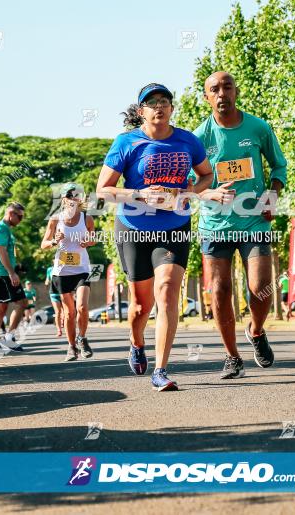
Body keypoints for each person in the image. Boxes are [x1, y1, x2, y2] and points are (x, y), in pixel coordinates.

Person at [96, 82, 219, 391]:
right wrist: (139, 194)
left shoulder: (187, 141)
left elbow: (207, 175)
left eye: (165, 101)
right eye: (152, 103)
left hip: (174, 226)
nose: (159, 106)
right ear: (141, 111)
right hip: (134, 229)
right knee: (141, 307)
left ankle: (160, 369)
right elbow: (103, 190)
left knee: (166, 292)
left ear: (172, 108)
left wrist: (186, 192)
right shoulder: (126, 142)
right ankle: (136, 342)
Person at [193, 71, 287, 379]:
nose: (221, 93)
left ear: (236, 91)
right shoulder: (199, 138)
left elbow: (279, 164)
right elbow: (191, 185)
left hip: (254, 221)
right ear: (207, 97)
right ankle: (232, 356)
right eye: (214, 89)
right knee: (220, 291)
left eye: (227, 87)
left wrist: (273, 194)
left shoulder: (258, 128)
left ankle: (256, 331)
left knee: (260, 289)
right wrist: (211, 192)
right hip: (215, 224)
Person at [41, 183, 96, 361]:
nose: (73, 199)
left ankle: (82, 338)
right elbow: (43, 245)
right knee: (70, 313)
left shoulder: (87, 218)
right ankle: (71, 347)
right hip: (62, 271)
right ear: (63, 199)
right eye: (70, 196)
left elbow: (93, 239)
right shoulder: (55, 219)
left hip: (82, 268)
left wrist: (88, 243)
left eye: (76, 196)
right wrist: (54, 242)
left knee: (81, 306)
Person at [0, 202, 28, 352]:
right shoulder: (1, 229)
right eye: (20, 217)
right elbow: (0, 251)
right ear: (11, 214)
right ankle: (8, 338)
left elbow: (6, 252)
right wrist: (11, 272)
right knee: (22, 302)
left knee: (1, 308)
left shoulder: (3, 229)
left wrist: (15, 267)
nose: (21, 220)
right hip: (2, 273)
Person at [45, 265, 65, 337]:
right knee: (58, 312)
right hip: (53, 292)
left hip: (63, 292)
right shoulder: (50, 269)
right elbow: (47, 279)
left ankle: (64, 323)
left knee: (65, 311)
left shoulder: (64, 267)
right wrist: (46, 283)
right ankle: (59, 330)